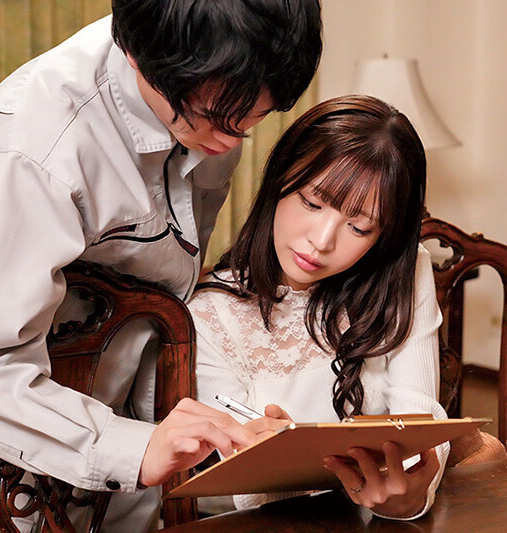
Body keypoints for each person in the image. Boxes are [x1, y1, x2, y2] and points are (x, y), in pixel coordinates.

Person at [0, 1, 322, 531]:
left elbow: (171, 291)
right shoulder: (32, 150)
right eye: (213, 116)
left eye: (252, 120)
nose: (229, 140)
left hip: (137, 421)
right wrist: (130, 447)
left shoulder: (215, 99)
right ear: (139, 57)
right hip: (14, 443)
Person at [189, 95, 449, 520]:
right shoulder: (209, 312)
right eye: (312, 203)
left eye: (359, 227)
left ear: (384, 237)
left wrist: (408, 498)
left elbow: (420, 420)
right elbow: (239, 491)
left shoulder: (403, 274)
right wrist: (269, 460)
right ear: (278, 180)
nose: (322, 241)